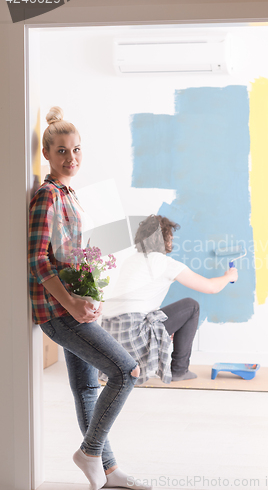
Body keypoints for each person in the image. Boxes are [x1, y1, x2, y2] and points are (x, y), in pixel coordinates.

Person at [28, 106, 150, 490]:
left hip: (75, 305)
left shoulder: (70, 194)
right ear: (46, 154)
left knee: (86, 387)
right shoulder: (47, 195)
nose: (71, 157)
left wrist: (89, 295)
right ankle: (91, 451)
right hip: (57, 311)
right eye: (62, 150)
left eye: (77, 149)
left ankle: (109, 472)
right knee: (125, 370)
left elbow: (73, 254)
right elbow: (37, 259)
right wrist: (71, 302)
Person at [100, 215, 238, 384]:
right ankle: (179, 370)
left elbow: (138, 302)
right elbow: (211, 287)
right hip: (133, 337)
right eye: (170, 237)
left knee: (171, 313)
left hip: (109, 341)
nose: (172, 241)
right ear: (164, 238)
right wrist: (228, 276)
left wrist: (162, 327)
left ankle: (176, 367)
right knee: (191, 306)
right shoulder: (165, 263)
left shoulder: (130, 261)